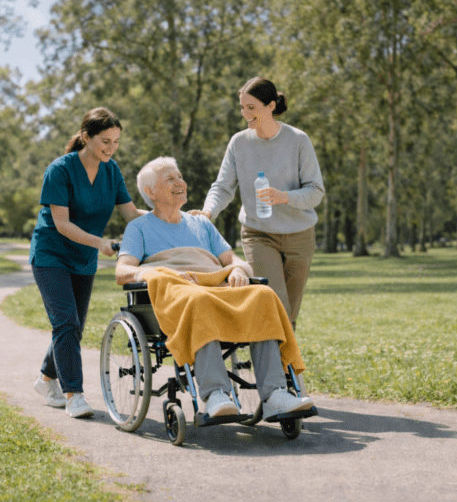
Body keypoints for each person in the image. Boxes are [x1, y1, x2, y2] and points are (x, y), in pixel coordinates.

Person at [116, 157, 314, 420]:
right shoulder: (138, 228)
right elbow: (122, 272)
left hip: (214, 287)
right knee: (197, 299)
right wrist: (157, 272)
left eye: (179, 176)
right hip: (177, 292)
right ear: (150, 192)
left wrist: (238, 270)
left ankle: (275, 394)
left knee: (263, 295)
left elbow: (233, 260)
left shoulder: (201, 224)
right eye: (170, 179)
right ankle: (215, 395)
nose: (180, 183)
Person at [29, 107, 146, 418]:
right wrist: (101, 243)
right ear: (85, 137)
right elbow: (62, 224)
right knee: (66, 322)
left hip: (82, 258)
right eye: (105, 141)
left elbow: (131, 213)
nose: (110, 148)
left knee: (73, 327)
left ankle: (45, 379)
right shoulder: (60, 170)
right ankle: (74, 395)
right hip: (51, 255)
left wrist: (172, 215)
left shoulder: (111, 170)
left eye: (116, 142)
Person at [190, 77, 325, 333]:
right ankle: (276, 371)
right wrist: (208, 211)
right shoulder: (239, 143)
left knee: (289, 314)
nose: (245, 114)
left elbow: (315, 192)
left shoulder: (298, 140)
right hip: (258, 234)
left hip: (300, 236)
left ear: (271, 106)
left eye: (251, 107)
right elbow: (222, 186)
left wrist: (285, 197)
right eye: (242, 107)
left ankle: (285, 369)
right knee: (274, 305)